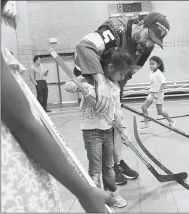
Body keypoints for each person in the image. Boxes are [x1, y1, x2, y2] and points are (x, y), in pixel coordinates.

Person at [1, 1, 115, 212]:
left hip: (25, 180)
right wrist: (84, 191)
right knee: (96, 164)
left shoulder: (111, 86)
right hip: (14, 191)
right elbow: (23, 123)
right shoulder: (88, 81)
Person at [74, 12, 170, 184]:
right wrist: (101, 83)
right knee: (102, 128)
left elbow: (131, 70)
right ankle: (107, 167)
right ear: (141, 24)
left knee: (115, 123)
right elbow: (84, 47)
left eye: (154, 42)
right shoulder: (114, 29)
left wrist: (116, 91)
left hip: (113, 80)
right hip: (92, 74)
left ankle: (116, 163)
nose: (148, 44)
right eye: (149, 37)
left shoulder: (147, 45)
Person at [65, 49, 135, 208]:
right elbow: (68, 85)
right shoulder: (90, 79)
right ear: (110, 67)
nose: (122, 77)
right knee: (95, 169)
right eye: (121, 73)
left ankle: (113, 194)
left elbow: (117, 110)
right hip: (92, 133)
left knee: (109, 167)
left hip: (109, 131)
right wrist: (85, 88)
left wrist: (123, 131)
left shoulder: (116, 86)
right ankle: (97, 199)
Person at [141, 56, 176, 130]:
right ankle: (147, 124)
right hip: (152, 94)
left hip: (158, 95)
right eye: (150, 64)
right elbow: (154, 83)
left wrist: (159, 93)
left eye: (153, 64)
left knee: (159, 111)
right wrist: (150, 89)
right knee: (144, 107)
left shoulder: (159, 73)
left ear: (158, 64)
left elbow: (164, 83)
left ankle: (171, 121)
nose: (151, 65)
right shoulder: (152, 72)